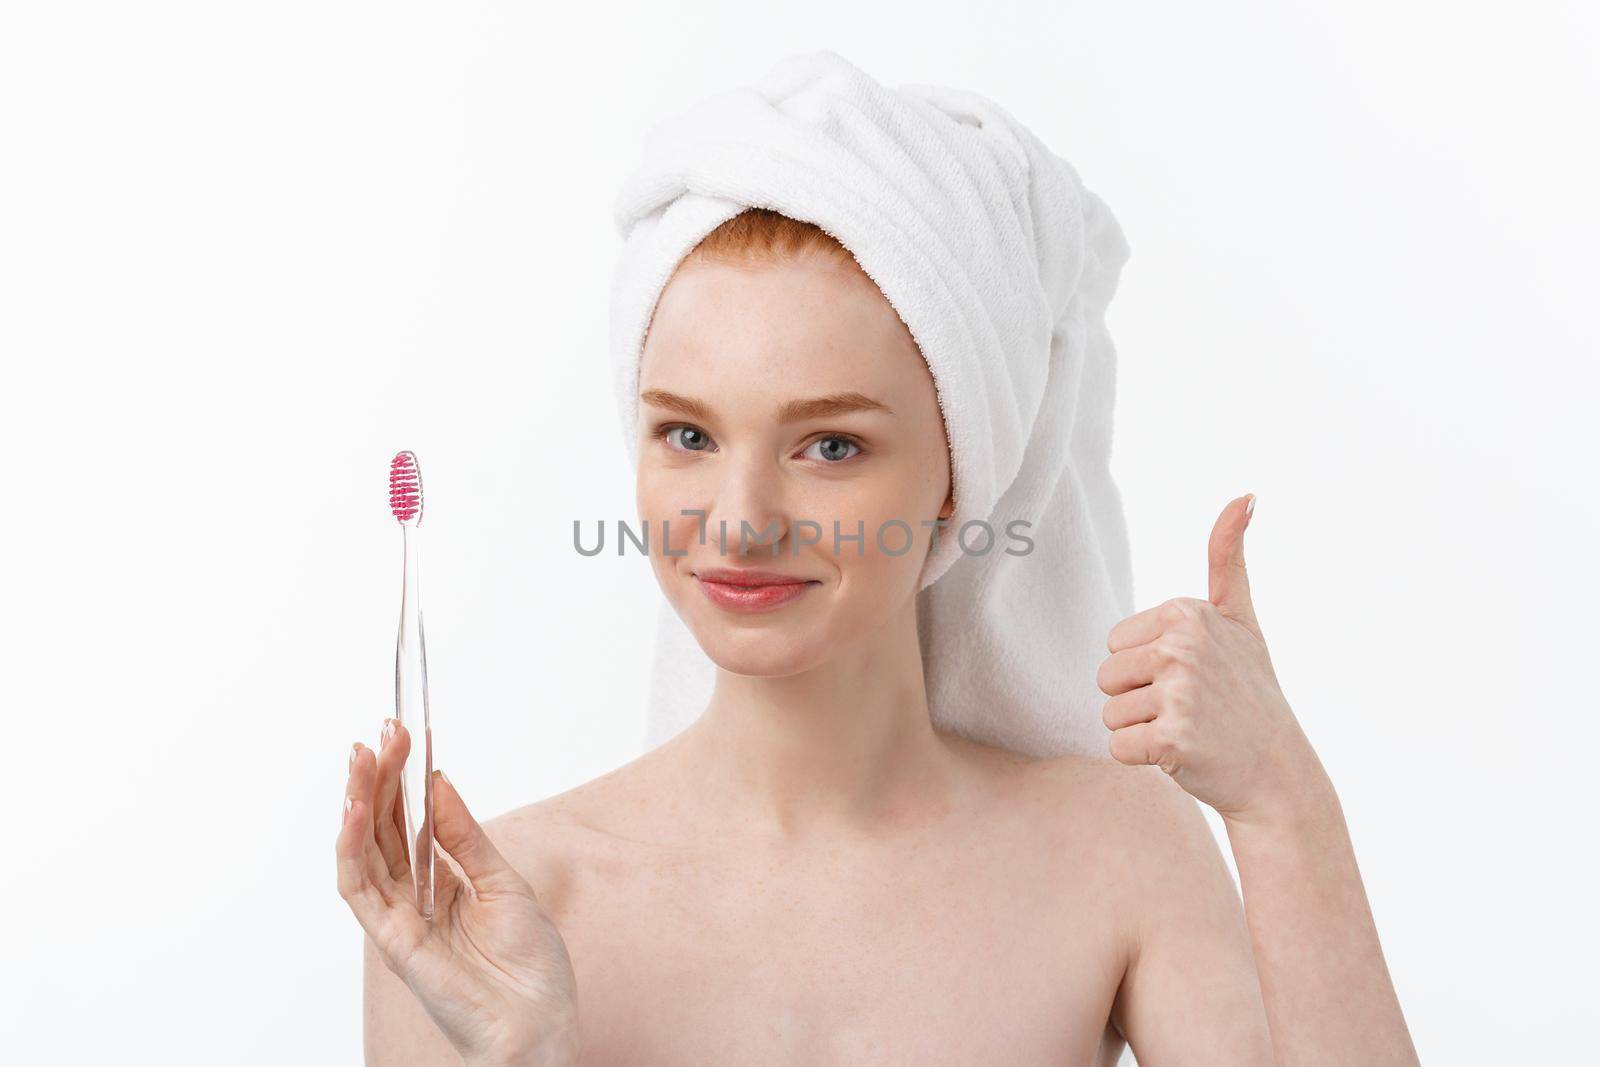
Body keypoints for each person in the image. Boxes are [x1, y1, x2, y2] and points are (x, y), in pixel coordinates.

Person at [336, 208, 1417, 1065]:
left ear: (960, 475)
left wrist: (1281, 799)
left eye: (832, 446)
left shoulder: (1116, 851)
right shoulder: (484, 914)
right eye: (686, 432)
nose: (741, 518)